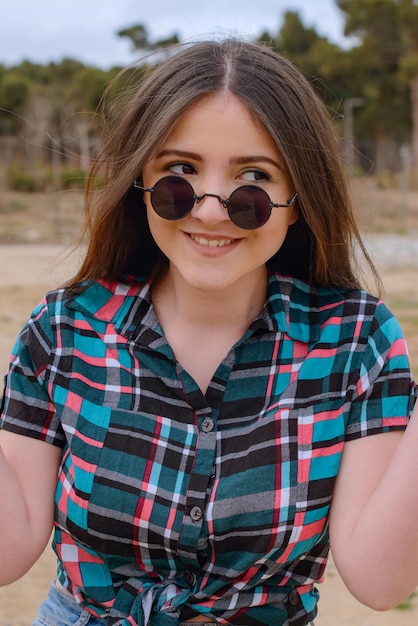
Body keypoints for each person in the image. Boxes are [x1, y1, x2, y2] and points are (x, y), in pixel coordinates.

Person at [0, 38, 417, 626]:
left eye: (253, 179)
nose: (211, 210)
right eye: (179, 174)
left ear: (296, 200)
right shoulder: (64, 329)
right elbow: (8, 551)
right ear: (139, 181)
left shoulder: (356, 341)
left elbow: (380, 580)